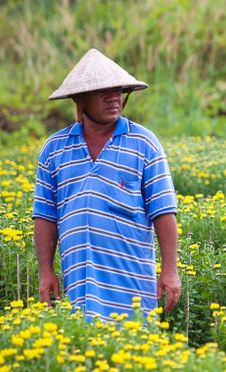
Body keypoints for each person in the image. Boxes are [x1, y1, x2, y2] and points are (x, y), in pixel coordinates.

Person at [32, 48, 181, 321]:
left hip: (131, 286)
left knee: (133, 343)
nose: (113, 98)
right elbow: (45, 215)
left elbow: (164, 210)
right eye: (102, 92)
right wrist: (46, 272)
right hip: (77, 285)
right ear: (80, 99)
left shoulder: (144, 143)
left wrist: (170, 270)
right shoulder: (54, 149)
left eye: (118, 91)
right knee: (81, 343)